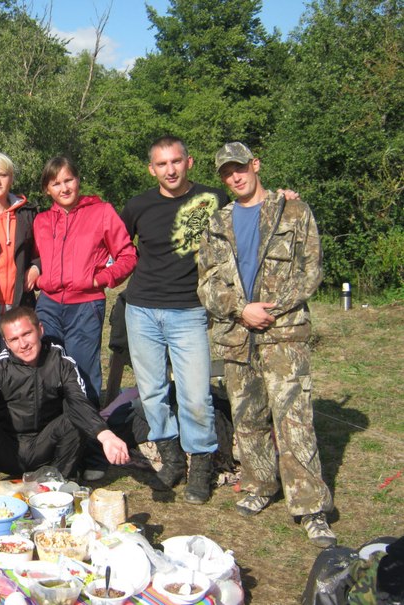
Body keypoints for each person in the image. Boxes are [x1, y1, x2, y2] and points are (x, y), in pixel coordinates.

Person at [197, 142, 335, 547]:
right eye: (227, 172)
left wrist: (270, 309)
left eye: (240, 167)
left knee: (294, 421)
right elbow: (206, 282)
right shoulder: (217, 222)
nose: (235, 177)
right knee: (248, 417)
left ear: (255, 165)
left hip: (283, 334)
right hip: (237, 335)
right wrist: (242, 310)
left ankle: (310, 507)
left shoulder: (293, 211)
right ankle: (260, 484)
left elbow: (311, 270)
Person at [118, 136, 228, 504]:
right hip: (142, 310)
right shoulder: (137, 206)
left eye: (176, 161)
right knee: (152, 391)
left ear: (189, 162)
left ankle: (201, 465)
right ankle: (171, 458)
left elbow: (251, 208)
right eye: (162, 164)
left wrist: (284, 198)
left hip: (189, 310)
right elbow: (114, 244)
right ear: (151, 169)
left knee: (195, 395)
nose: (170, 170)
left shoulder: (214, 199)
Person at [0, 306, 130, 486]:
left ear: (40, 330)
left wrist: (106, 436)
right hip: (7, 450)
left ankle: (60, 487)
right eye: (14, 339)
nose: (23, 344)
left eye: (27, 334)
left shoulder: (62, 362)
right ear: (6, 343)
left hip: (46, 450)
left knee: (73, 418)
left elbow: (79, 403)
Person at [33, 156, 137, 481]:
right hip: (49, 305)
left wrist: (100, 279)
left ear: (78, 180)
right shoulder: (41, 220)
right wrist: (36, 271)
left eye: (68, 180)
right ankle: (55, 450)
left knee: (84, 376)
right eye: (56, 183)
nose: (64, 188)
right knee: (48, 376)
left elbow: (127, 255)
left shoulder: (102, 212)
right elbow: (37, 256)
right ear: (47, 189)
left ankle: (92, 452)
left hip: (85, 306)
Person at [0, 151, 39, 368]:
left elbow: (43, 251)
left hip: (20, 302)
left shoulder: (27, 213)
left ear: (11, 178)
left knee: (22, 366)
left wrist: (37, 267)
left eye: (2, 175)